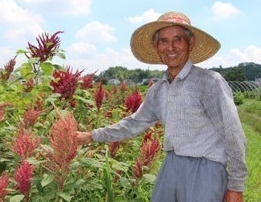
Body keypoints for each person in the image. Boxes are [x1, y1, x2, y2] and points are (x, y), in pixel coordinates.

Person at [76, 11, 247, 202]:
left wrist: (235, 186)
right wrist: (91, 136)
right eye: (163, 41)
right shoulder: (158, 90)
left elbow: (233, 134)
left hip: (205, 170)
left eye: (178, 39)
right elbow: (133, 124)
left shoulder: (209, 83)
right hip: (171, 166)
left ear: (189, 43)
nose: (171, 47)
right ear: (157, 47)